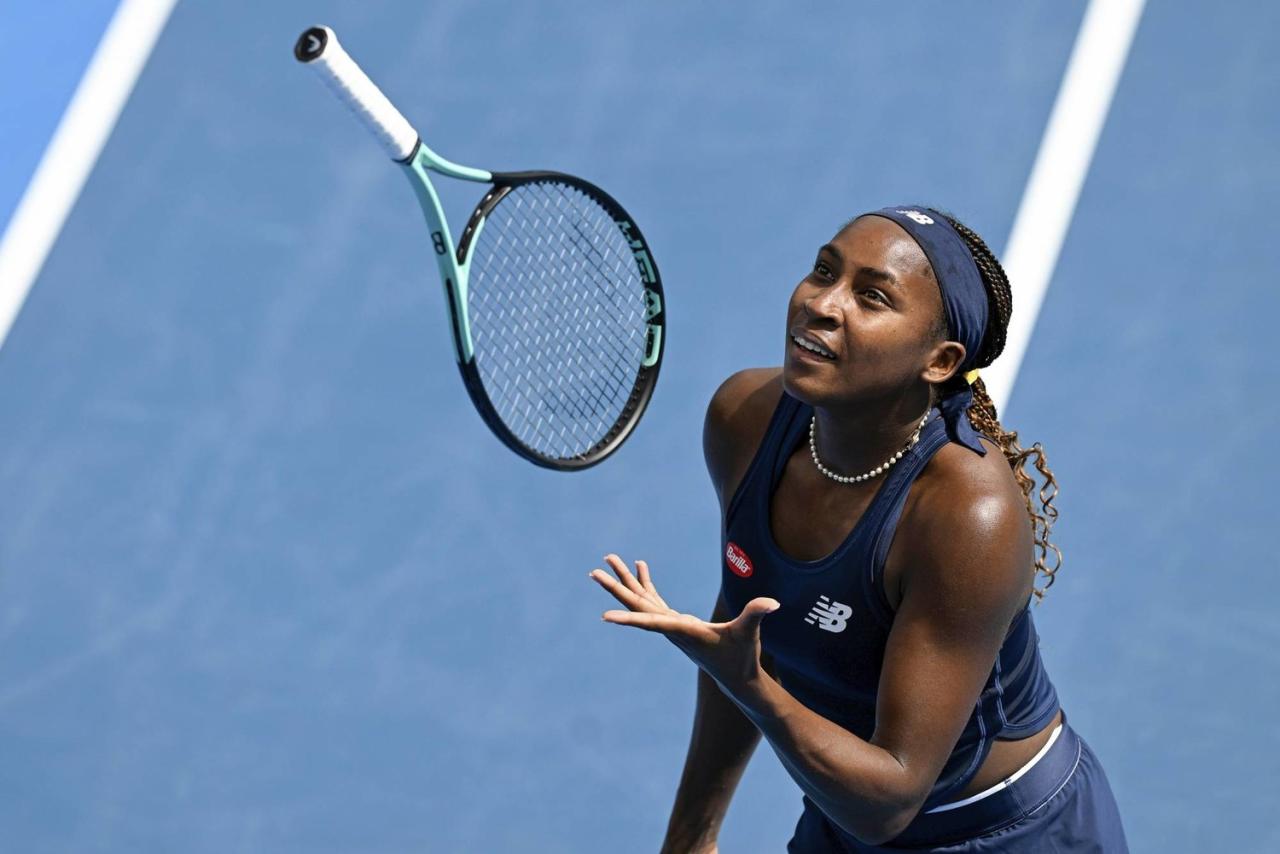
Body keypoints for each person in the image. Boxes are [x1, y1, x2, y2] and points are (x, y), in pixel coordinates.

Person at [588, 207, 1129, 852]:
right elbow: (743, 626)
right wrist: (690, 837)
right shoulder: (745, 419)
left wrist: (752, 685)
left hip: (1004, 834)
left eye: (871, 297)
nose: (822, 303)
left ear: (939, 360)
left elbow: (890, 800)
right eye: (823, 271)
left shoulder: (965, 517)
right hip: (842, 813)